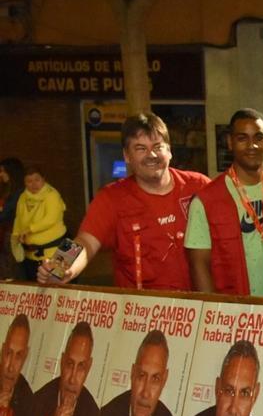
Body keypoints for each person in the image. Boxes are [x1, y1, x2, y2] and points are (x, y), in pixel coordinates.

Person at [38, 114, 210, 290]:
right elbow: (84, 240)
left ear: (170, 151)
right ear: (127, 156)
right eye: (140, 148)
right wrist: (59, 266)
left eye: (157, 147)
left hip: (197, 308)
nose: (151, 155)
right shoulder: (111, 197)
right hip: (140, 311)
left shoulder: (199, 186)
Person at [186, 109, 263, 297]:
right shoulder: (206, 201)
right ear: (229, 142)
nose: (252, 146)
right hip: (231, 314)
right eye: (242, 138)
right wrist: (214, 313)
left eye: (259, 137)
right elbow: (199, 264)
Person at [10, 166, 66, 281]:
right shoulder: (23, 197)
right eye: (29, 181)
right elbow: (18, 218)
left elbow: (51, 219)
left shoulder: (52, 195)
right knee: (34, 289)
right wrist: (15, 236)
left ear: (43, 179)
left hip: (54, 252)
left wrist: (30, 229)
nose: (33, 184)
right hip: (30, 254)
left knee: (56, 284)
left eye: (37, 180)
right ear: (24, 183)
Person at [0, 315, 32, 416]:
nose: (11, 366)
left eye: (18, 356)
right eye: (8, 353)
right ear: (2, 349)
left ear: (25, 356)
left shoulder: (28, 401)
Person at [0, 158, 25, 281]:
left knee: (11, 270)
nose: (1, 174)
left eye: (3, 171)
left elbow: (5, 213)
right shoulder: (10, 192)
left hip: (13, 235)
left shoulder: (19, 193)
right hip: (8, 234)